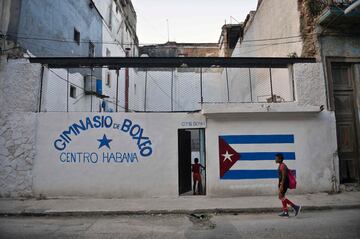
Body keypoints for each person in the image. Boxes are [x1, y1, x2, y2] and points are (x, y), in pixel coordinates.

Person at [275, 153, 301, 217]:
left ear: (280, 159)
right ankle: (286, 212)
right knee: (282, 197)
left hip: (284, 184)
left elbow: (284, 177)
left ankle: (295, 207)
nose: (275, 159)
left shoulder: (283, 166)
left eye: (276, 158)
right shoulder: (281, 165)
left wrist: (281, 185)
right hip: (282, 183)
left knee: (281, 197)